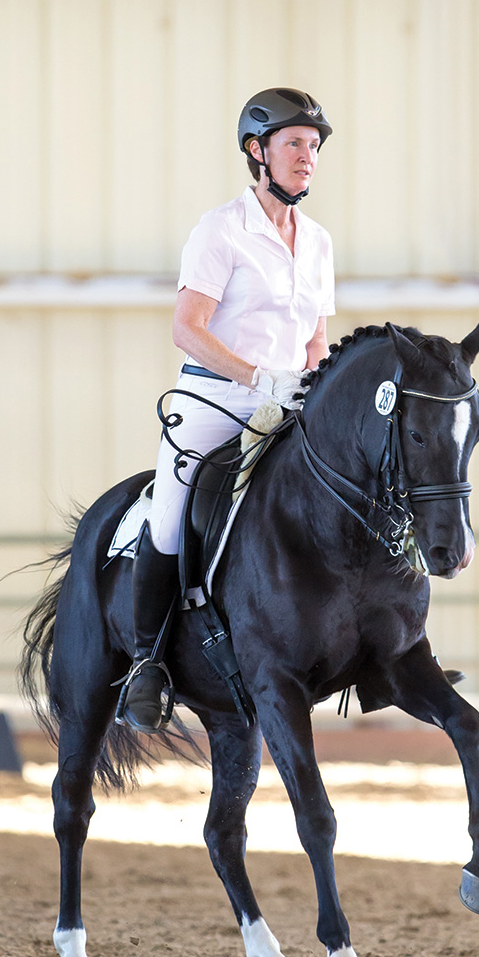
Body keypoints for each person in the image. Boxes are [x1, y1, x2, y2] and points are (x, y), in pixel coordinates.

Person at [122, 87, 335, 730]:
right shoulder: (220, 230)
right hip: (215, 398)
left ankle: (372, 644)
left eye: (315, 146)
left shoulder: (318, 241)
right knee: (170, 515)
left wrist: (310, 386)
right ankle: (146, 662)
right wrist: (255, 377)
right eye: (295, 143)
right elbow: (188, 328)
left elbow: (316, 340)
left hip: (288, 402)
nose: (308, 157)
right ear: (257, 150)